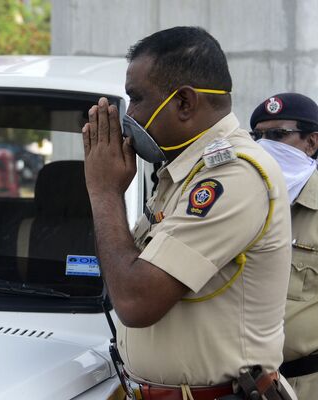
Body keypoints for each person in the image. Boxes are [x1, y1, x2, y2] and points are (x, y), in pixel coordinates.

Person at [82, 27, 296, 399]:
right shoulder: (182, 173)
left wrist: (104, 191)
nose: (129, 115)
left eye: (137, 98)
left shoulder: (234, 176)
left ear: (184, 103)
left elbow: (135, 301)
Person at [250, 93, 318, 400]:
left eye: (279, 135)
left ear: (311, 143)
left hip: (307, 383)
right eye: (259, 136)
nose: (265, 146)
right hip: (244, 385)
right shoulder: (242, 204)